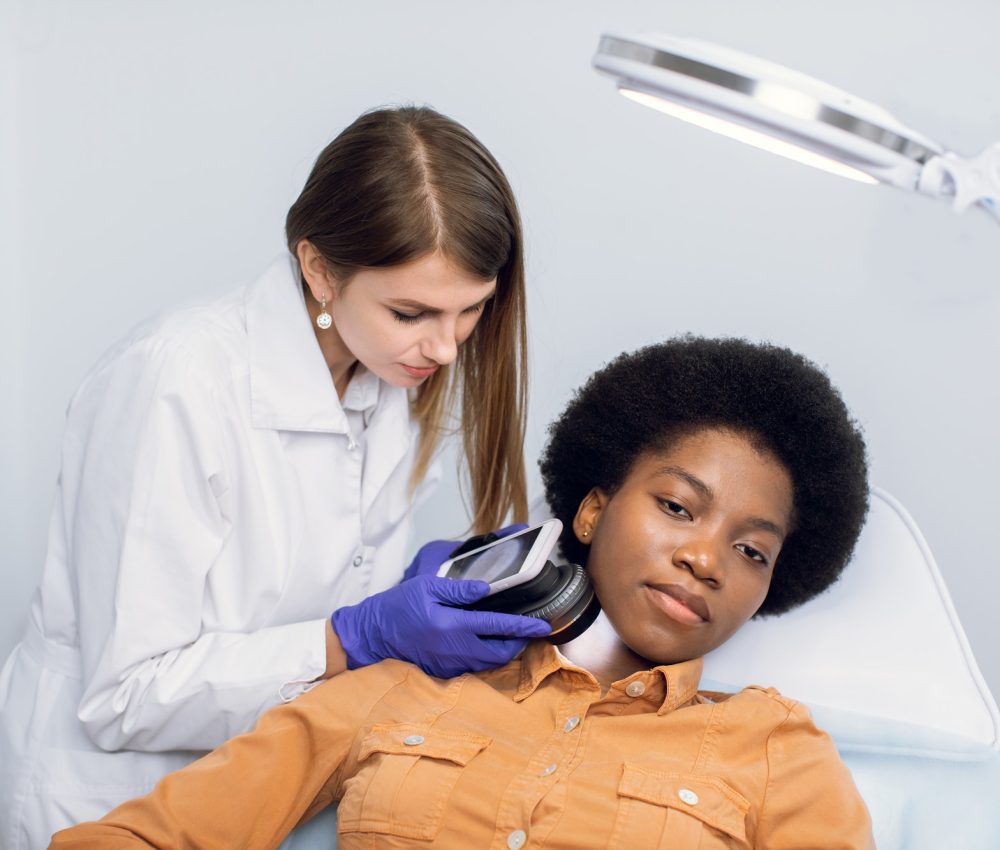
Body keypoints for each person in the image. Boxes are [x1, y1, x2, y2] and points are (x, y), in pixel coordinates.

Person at [48, 336, 875, 849]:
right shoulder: (407, 687)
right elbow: (148, 838)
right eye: (676, 506)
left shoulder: (775, 753)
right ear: (591, 509)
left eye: (750, 551)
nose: (706, 560)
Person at [0, 105, 551, 849]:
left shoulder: (386, 373)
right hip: (113, 799)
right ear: (320, 270)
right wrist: (357, 636)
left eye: (470, 312)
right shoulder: (176, 381)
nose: (447, 349)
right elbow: (124, 695)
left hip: (262, 787)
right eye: (412, 311)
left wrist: (402, 597)